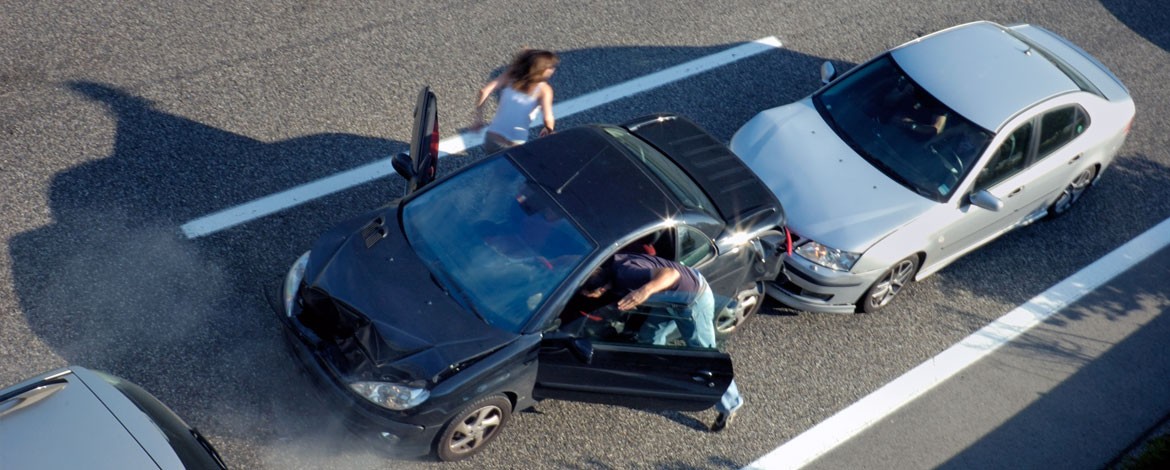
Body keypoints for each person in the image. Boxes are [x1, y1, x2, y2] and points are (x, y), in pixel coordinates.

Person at [580, 253, 743, 432]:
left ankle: (731, 405)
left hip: (693, 301)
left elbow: (671, 274)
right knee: (649, 339)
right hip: (671, 301)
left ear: (599, 290)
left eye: (588, 294)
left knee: (705, 357)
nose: (589, 297)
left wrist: (644, 291)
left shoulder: (626, 273)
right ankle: (656, 384)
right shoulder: (614, 267)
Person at [472, 49, 559, 154]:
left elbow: (484, 91)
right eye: (551, 67)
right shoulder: (544, 90)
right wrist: (549, 129)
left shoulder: (510, 76)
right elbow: (547, 117)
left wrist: (478, 119)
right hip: (515, 142)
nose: (553, 70)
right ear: (542, 69)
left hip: (493, 137)